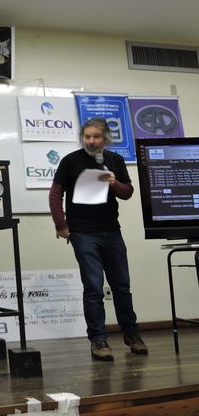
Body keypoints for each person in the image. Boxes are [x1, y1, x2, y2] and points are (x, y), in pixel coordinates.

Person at [49, 117, 148, 361]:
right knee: (93, 287)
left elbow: (128, 192)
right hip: (82, 232)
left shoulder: (115, 160)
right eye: (87, 136)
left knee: (122, 286)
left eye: (96, 136)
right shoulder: (70, 161)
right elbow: (55, 194)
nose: (91, 141)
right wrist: (61, 225)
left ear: (105, 139)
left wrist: (113, 183)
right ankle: (98, 339)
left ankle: (131, 333)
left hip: (111, 230)